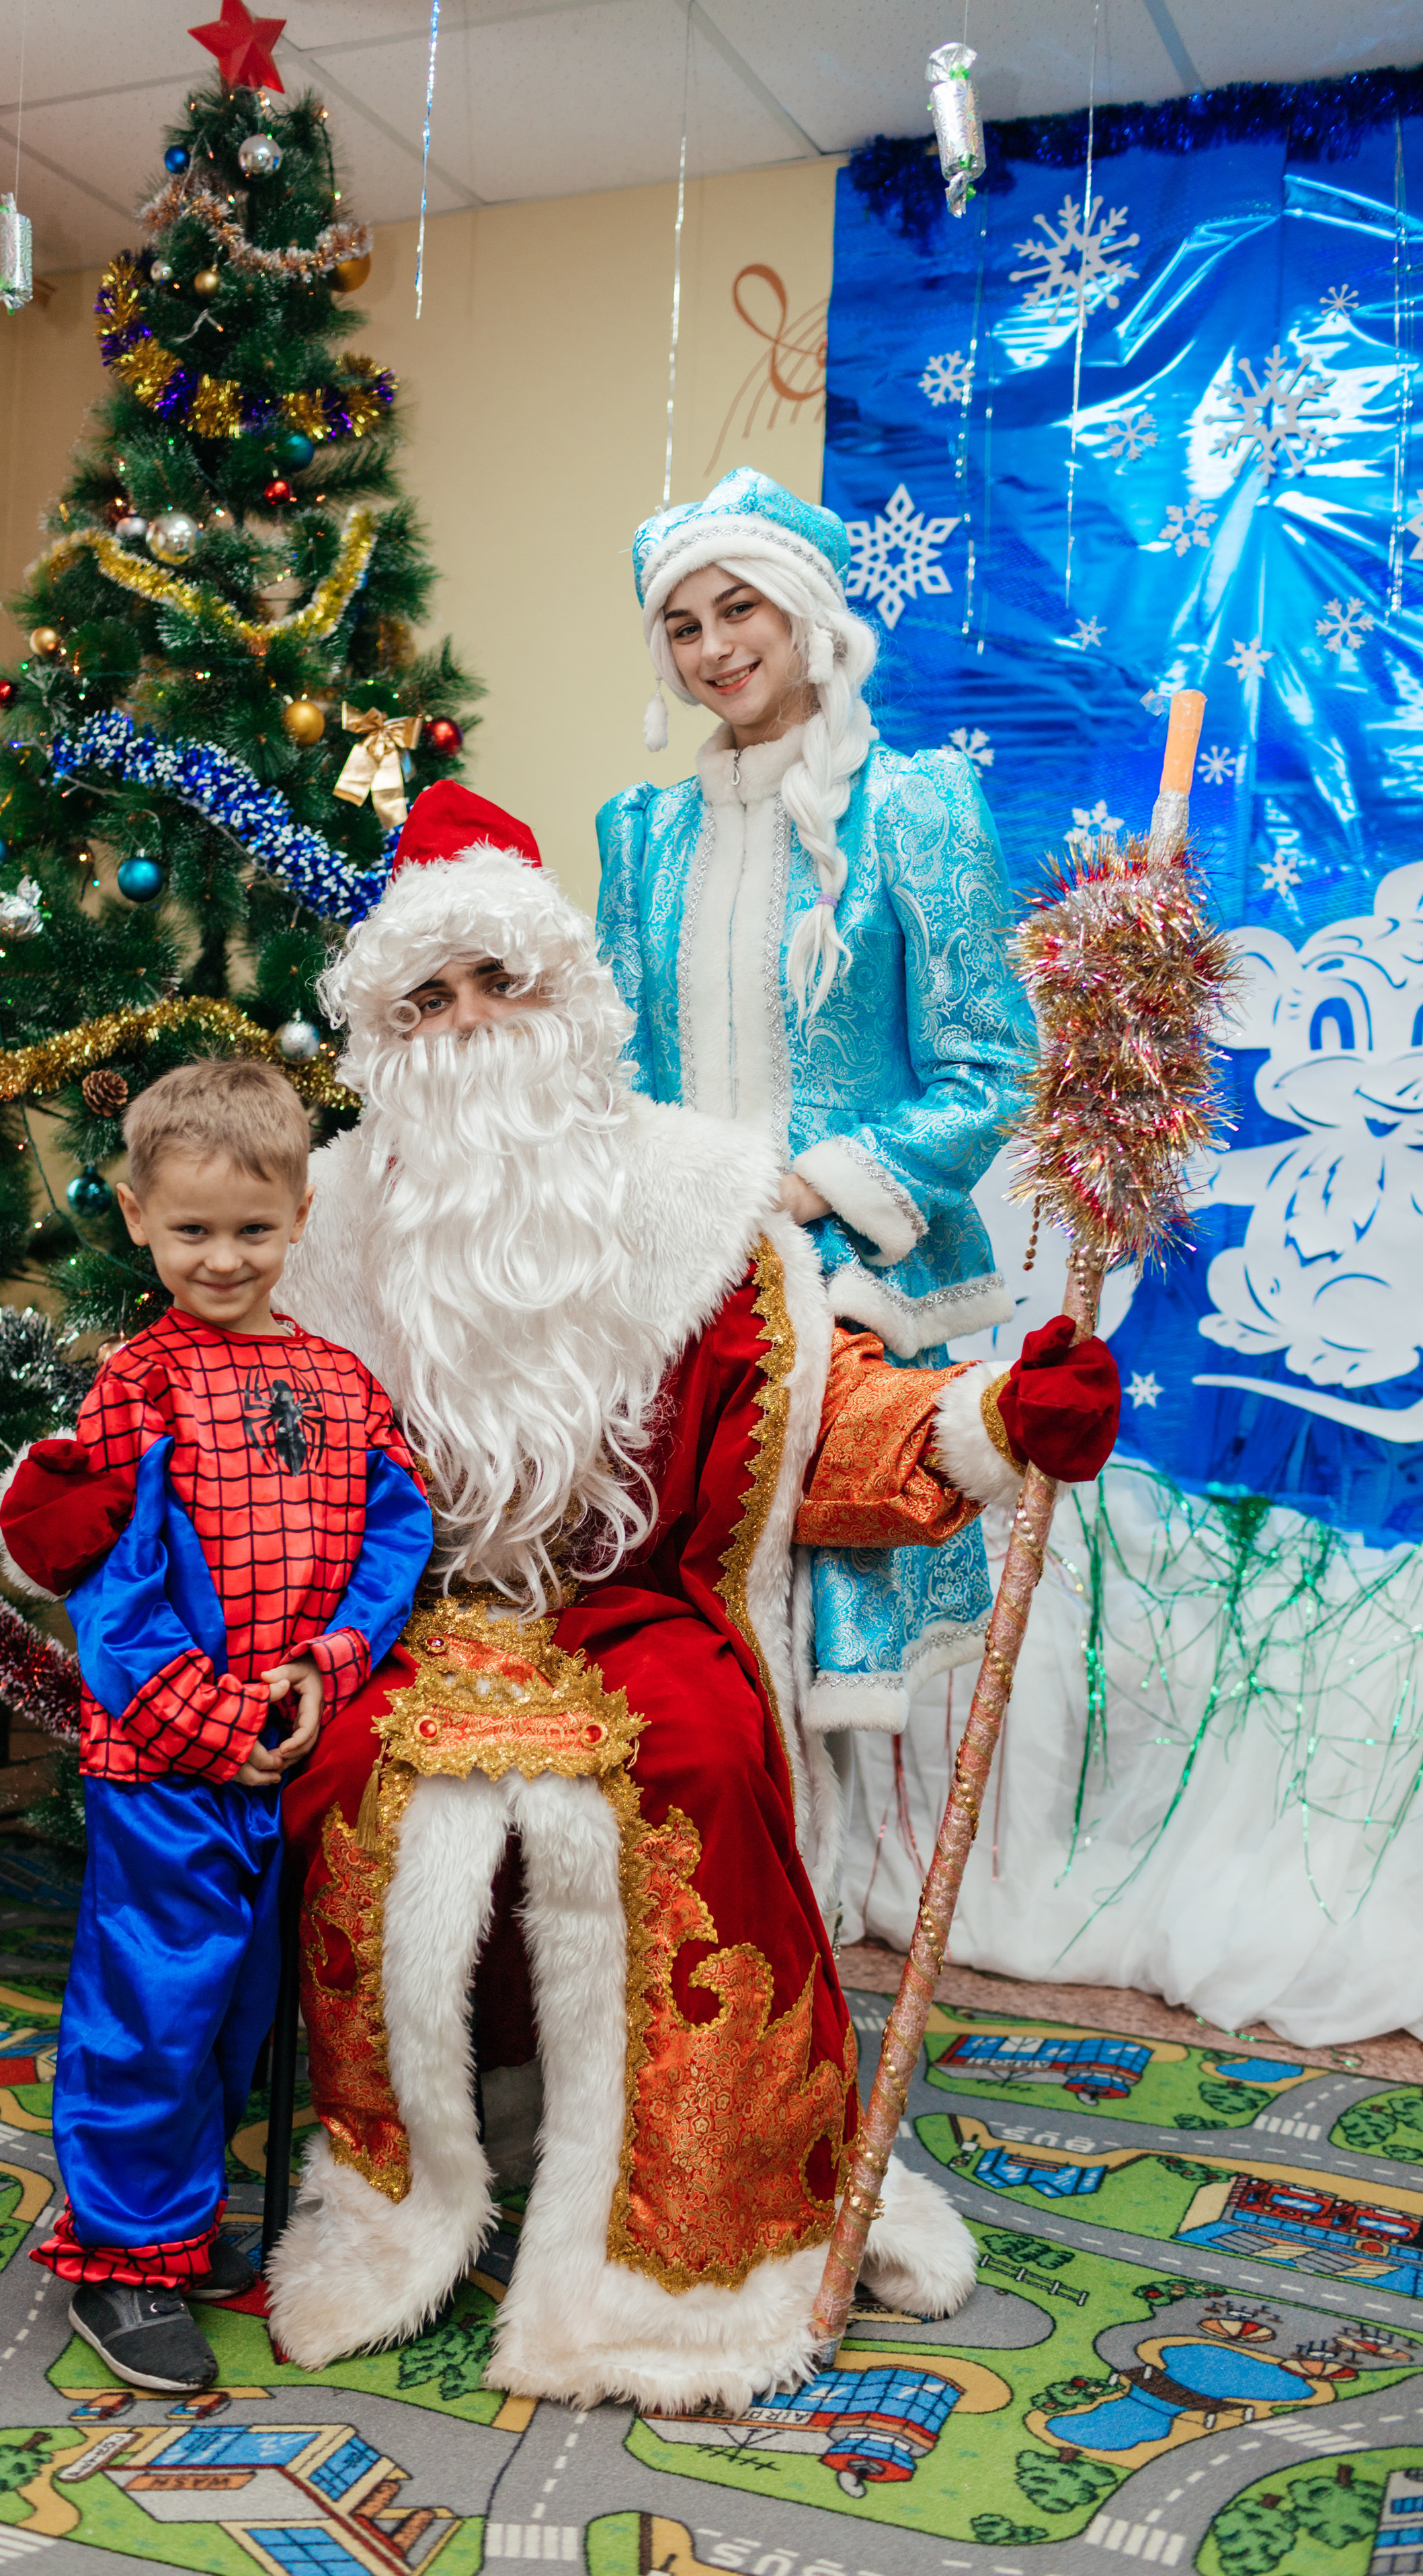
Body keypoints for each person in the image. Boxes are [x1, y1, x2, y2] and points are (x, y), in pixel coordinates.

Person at [266, 782, 1119, 2411]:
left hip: (628, 1610)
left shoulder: (696, 1200)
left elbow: (821, 1414)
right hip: (396, 1613)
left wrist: (991, 1419)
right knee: (348, 1761)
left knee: (696, 1755)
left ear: (566, 1005)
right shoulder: (329, 1221)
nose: (466, 1028)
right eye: (423, 1002)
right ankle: (419, 2171)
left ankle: (695, 2236)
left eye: (496, 987)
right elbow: (243, 1444)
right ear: (380, 1033)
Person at [0, 1057, 432, 2392]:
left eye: (252, 1229)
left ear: (301, 1214)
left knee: (240, 2011)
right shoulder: (135, 1389)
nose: (223, 1258)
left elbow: (395, 1525)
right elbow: (114, 1596)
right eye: (192, 1230)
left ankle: (184, 2221)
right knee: (153, 2009)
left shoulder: (340, 1380)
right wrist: (213, 1722)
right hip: (170, 1766)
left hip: (279, 1753)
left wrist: (329, 1663)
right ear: (135, 1217)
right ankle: (120, 2264)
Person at [596, 467, 1035, 1734]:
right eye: (683, 625)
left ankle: (838, 1895)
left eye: (741, 611)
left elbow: (990, 1061)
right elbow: (616, 1066)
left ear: (803, 615)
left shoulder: (916, 805)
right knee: (683, 1604)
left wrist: (813, 1185)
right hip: (680, 1281)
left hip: (843, 1285)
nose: (714, 648)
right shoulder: (644, 832)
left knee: (838, 1601)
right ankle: (723, 1893)